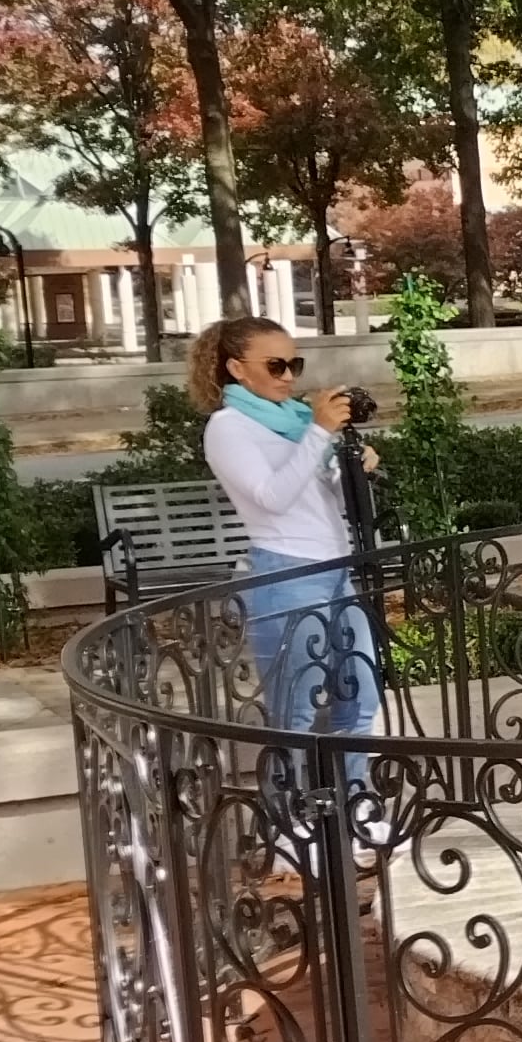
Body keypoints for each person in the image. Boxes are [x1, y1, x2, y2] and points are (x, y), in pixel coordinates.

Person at [194, 314, 385, 813]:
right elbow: (271, 498)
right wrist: (320, 434)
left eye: (294, 364)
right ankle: (287, 823)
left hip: (336, 569)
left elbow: (324, 498)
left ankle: (358, 808)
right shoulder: (228, 428)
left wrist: (354, 461)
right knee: (295, 712)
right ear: (237, 369)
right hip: (285, 575)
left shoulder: (298, 424)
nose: (288, 376)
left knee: (360, 697)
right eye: (275, 365)